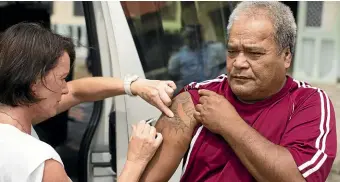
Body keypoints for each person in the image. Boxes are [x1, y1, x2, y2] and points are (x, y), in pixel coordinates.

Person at [139, 2, 337, 182]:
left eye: (255, 53)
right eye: (232, 51)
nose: (239, 63)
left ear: (286, 56)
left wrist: (230, 124)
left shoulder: (309, 103)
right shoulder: (197, 99)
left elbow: (297, 178)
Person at [0, 22, 175, 181]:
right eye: (62, 78)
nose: (65, 88)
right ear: (34, 84)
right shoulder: (40, 163)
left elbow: (77, 92)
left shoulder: (11, 124)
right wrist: (136, 160)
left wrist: (134, 85)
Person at [168, 24, 226, 93]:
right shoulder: (177, 58)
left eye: (196, 33)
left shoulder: (216, 49)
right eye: (190, 35)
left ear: (201, 34)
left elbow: (225, 67)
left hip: (217, 90)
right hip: (192, 94)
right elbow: (173, 76)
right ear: (185, 37)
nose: (194, 38)